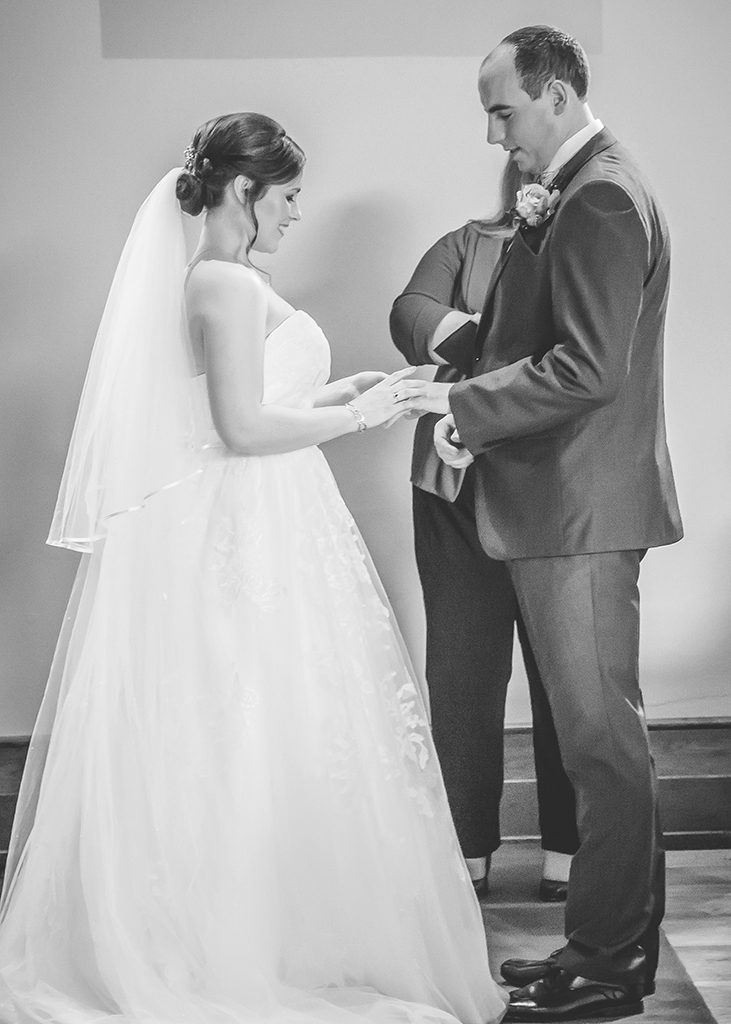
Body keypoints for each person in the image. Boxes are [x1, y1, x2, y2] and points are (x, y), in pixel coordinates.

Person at [0, 112, 508, 1024]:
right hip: (248, 520)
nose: (296, 212)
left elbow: (245, 409)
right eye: (287, 196)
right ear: (244, 190)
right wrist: (356, 420)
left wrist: (341, 392)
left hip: (267, 513)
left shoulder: (229, 281)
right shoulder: (223, 285)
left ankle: (270, 928)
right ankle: (227, 945)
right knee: (249, 721)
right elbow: (239, 432)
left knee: (268, 719)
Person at [389, 26, 682, 1023]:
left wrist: (460, 411)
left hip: (580, 514)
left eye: (501, 109)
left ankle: (608, 967)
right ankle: (601, 948)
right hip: (564, 505)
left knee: (602, 747)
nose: (491, 133)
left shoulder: (598, 193)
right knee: (597, 749)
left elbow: (587, 368)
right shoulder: (579, 187)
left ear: (553, 95)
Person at [390, 159, 579, 900]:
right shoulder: (462, 244)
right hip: (452, 490)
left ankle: (568, 848)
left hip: (555, 494)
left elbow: (585, 358)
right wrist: (499, 350)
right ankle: (465, 848)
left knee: (563, 676)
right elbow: (409, 316)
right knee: (462, 673)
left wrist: (481, 352)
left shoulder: (588, 247)